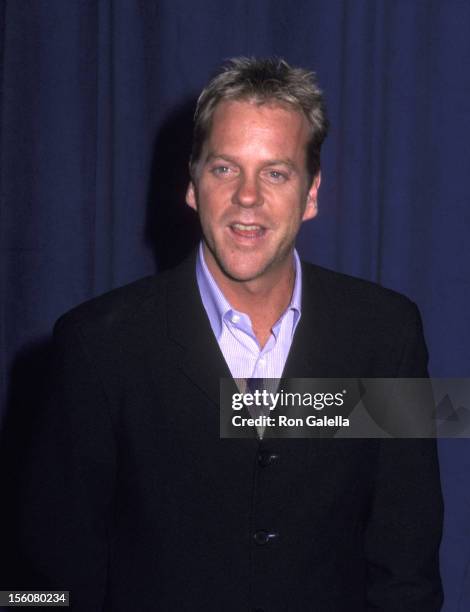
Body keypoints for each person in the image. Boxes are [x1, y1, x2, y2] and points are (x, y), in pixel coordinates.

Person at [18, 58, 442, 611]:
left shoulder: (387, 333)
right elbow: (47, 582)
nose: (247, 196)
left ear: (311, 194)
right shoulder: (96, 346)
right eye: (224, 169)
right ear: (193, 184)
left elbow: (407, 568)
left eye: (275, 172)